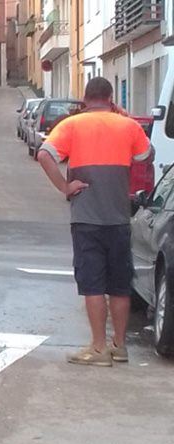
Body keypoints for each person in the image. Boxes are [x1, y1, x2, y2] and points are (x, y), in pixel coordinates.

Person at [37, 77, 152, 366]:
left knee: (92, 285)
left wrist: (65, 187)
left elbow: (44, 154)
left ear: (86, 99)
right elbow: (146, 155)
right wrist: (124, 117)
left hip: (87, 218)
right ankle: (119, 346)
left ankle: (98, 349)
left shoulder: (72, 125)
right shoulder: (127, 125)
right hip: (119, 218)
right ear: (111, 98)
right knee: (120, 285)